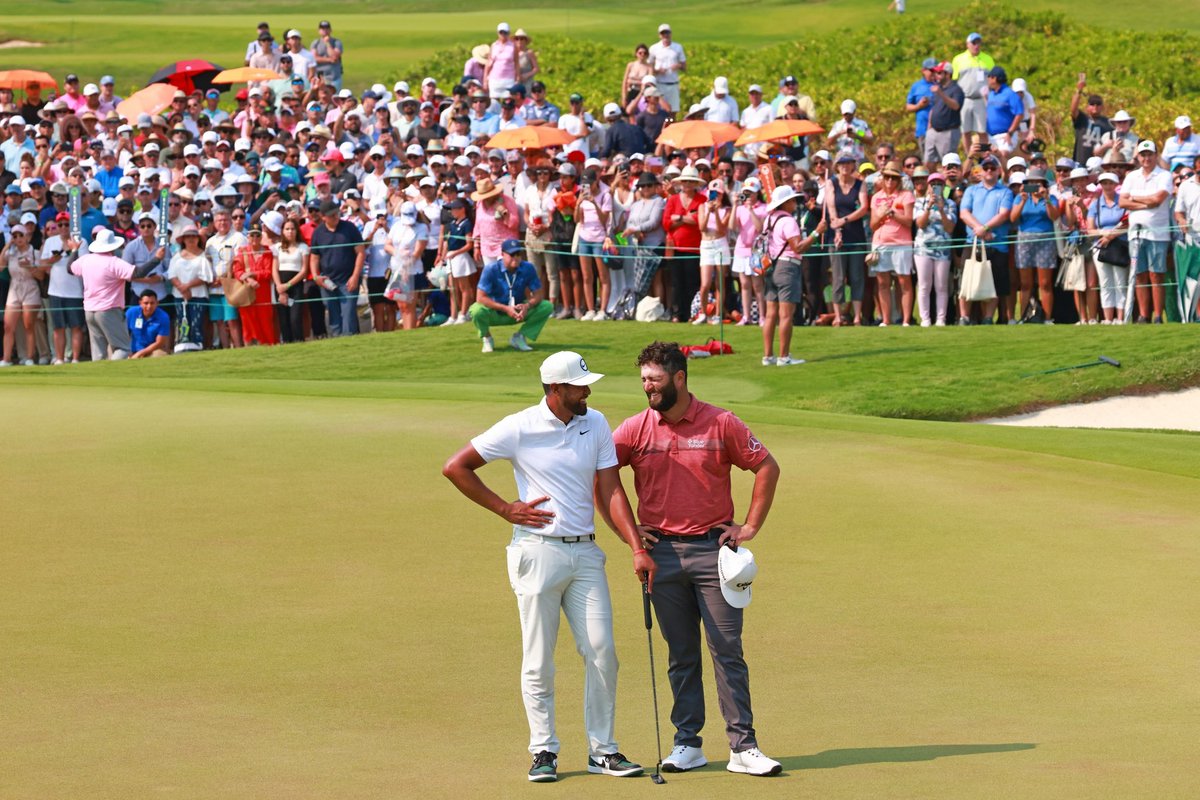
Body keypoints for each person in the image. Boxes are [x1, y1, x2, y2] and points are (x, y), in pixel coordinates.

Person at [442, 350, 651, 783]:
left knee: (603, 652)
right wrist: (505, 508)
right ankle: (543, 750)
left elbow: (610, 489)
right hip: (536, 552)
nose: (588, 391)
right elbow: (456, 467)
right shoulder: (520, 426)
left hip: (586, 555)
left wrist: (635, 546)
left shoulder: (594, 422)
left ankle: (603, 750)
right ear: (556, 390)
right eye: (579, 386)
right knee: (539, 659)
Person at [605, 340, 783, 778]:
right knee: (681, 654)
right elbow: (604, 478)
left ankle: (744, 747)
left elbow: (767, 467)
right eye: (644, 379)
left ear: (679, 379)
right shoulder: (634, 428)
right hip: (661, 556)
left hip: (713, 554)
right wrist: (630, 536)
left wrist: (749, 527)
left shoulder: (721, 423)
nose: (648, 386)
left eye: (656, 379)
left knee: (727, 651)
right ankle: (687, 743)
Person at [68, 228, 159, 360]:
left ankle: (98, 379)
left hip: (89, 310)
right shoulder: (114, 262)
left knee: (98, 352)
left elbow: (69, 268)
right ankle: (115, 376)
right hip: (109, 310)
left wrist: (74, 250)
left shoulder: (86, 259)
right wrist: (157, 259)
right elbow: (138, 273)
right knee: (122, 348)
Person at [760, 186, 823, 364]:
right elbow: (798, 247)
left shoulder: (769, 219)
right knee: (786, 314)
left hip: (771, 267)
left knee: (771, 314)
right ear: (786, 203)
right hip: (787, 267)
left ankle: (768, 356)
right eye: (793, 200)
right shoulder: (788, 221)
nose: (795, 203)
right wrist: (816, 233)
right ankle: (784, 357)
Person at [1120, 140, 1173, 323]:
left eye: (1150, 154)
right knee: (1139, 274)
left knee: (1156, 274)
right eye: (1143, 155)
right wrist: (1145, 201)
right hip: (1135, 233)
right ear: (1138, 157)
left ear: (1155, 155)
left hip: (1157, 233)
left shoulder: (1164, 175)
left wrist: (1134, 198)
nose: (1146, 158)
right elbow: (1122, 202)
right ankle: (1144, 315)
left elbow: (1158, 200)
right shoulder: (1132, 176)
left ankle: (1158, 315)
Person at [469, 239, 553, 353]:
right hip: (495, 312)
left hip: (519, 312)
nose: (516, 257)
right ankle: (487, 338)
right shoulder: (491, 269)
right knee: (476, 310)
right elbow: (480, 298)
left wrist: (527, 306)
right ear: (502, 254)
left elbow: (539, 294)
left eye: (518, 254)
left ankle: (519, 337)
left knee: (546, 306)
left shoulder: (528, 268)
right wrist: (505, 308)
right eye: (512, 254)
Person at [1009, 168, 1060, 321]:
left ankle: (1047, 318)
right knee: (1025, 283)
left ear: (1044, 184)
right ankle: (1024, 317)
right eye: (1031, 182)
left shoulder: (1050, 198)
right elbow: (1013, 218)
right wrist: (1023, 200)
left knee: (1045, 283)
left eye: (1038, 182)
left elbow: (1054, 217)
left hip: (1046, 240)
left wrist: (1047, 199)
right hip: (1024, 240)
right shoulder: (1020, 198)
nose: (1035, 185)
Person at [824, 153, 870, 325]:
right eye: (841, 163)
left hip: (856, 234)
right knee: (838, 276)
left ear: (853, 165)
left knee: (857, 276)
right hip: (836, 236)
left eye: (848, 163)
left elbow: (864, 207)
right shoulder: (831, 183)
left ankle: (857, 316)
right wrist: (837, 230)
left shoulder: (860, 184)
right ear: (837, 165)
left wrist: (845, 220)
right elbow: (831, 207)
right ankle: (838, 316)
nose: (845, 166)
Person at [309, 199, 365, 336]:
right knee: (333, 315)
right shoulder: (318, 232)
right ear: (323, 217)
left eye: (336, 213)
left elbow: (360, 252)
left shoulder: (350, 228)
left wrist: (355, 276)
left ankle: (349, 342)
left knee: (348, 314)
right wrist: (316, 276)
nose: (335, 217)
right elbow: (314, 258)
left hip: (348, 279)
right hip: (327, 281)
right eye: (331, 215)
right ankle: (337, 342)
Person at [869, 161, 915, 325]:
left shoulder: (906, 195)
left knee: (904, 282)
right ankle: (886, 320)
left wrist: (892, 213)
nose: (890, 181)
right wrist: (881, 214)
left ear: (899, 180)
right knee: (882, 282)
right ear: (882, 178)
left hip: (901, 243)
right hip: (880, 243)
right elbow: (873, 225)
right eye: (887, 177)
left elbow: (909, 221)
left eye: (893, 178)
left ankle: (906, 320)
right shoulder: (876, 197)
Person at [913, 170, 958, 326]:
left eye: (939, 184)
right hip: (923, 249)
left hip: (943, 249)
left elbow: (950, 227)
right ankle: (925, 319)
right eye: (933, 184)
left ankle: (941, 318)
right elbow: (920, 223)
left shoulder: (950, 204)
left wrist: (941, 209)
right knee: (924, 285)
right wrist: (928, 207)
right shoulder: (919, 202)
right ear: (928, 186)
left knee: (941, 285)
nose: (935, 186)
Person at [1, 223, 46, 367]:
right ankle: (6, 359)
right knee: (8, 326)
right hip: (14, 288)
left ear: (26, 237)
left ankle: (29, 357)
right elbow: (0, 267)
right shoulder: (10, 253)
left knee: (29, 325)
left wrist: (30, 267)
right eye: (15, 236)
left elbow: (41, 276)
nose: (18, 238)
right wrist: (7, 245)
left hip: (30, 289)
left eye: (21, 235)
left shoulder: (35, 253)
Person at [1087, 172, 1130, 324]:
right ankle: (1107, 319)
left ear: (1116, 184)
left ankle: (1120, 318)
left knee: (1120, 282)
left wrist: (1110, 236)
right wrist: (1103, 233)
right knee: (1105, 283)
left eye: (1110, 183)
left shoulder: (1123, 201)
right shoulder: (1095, 204)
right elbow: (1090, 230)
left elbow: (1127, 223)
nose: (1107, 186)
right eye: (1104, 183)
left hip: (1120, 245)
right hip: (1100, 247)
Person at [232, 223, 279, 345]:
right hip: (247, 292)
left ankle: (268, 345)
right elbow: (237, 270)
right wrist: (248, 280)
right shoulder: (242, 251)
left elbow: (269, 272)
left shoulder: (267, 252)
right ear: (248, 237)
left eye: (257, 235)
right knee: (248, 322)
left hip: (263, 292)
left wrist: (253, 274)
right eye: (252, 235)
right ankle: (250, 347)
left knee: (266, 321)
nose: (255, 238)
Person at [951, 32, 994, 151]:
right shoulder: (958, 59)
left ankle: (985, 156)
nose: (976, 46)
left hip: (982, 100)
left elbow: (992, 79)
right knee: (965, 131)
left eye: (978, 43)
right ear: (967, 44)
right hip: (964, 99)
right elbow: (954, 80)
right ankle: (969, 157)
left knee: (982, 130)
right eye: (973, 43)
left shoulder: (987, 59)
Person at [271, 217, 309, 342]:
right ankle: (287, 343)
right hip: (280, 285)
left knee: (295, 318)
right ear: (282, 231)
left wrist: (287, 285)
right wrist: (279, 287)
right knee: (283, 319)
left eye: (292, 229)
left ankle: (299, 341)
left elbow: (304, 270)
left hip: (296, 285)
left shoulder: (303, 247)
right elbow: (274, 269)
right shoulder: (277, 247)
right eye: (287, 229)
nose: (290, 232)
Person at [1069, 75, 1111, 169]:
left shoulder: (1108, 123)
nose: (1095, 106)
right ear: (1087, 106)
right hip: (1080, 162)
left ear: (1102, 106)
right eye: (1092, 104)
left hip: (1099, 164)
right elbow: (1073, 109)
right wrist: (1079, 90)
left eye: (1098, 104)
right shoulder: (1082, 119)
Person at [984, 66, 1023, 159]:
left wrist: (1010, 133)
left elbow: (1019, 114)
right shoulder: (991, 94)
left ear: (995, 78)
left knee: (1002, 155)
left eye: (989, 77)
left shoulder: (1010, 94)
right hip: (990, 136)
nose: (988, 80)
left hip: (1005, 135)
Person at [648, 24, 686, 113]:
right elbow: (649, 67)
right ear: (659, 35)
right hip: (659, 84)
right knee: (661, 110)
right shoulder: (654, 48)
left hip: (673, 84)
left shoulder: (677, 47)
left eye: (667, 33)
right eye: (663, 33)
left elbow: (684, 66)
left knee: (673, 111)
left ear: (670, 34)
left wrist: (678, 66)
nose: (665, 35)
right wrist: (657, 71)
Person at [906, 59, 938, 157]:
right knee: (927, 159)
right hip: (923, 129)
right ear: (923, 70)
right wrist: (919, 105)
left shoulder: (941, 84)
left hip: (941, 129)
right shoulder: (916, 86)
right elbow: (908, 107)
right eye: (931, 70)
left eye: (936, 70)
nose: (934, 73)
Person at [126, 289, 171, 358]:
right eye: (146, 303)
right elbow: (122, 334)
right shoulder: (131, 312)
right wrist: (128, 352)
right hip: (132, 351)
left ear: (157, 303)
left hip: (153, 351)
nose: (149, 306)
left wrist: (140, 354)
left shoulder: (163, 316)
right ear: (140, 303)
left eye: (152, 303)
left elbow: (159, 343)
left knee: (160, 355)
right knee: (120, 356)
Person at [310, 20, 344, 91]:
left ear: (330, 30)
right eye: (322, 28)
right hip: (320, 78)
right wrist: (329, 59)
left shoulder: (336, 42)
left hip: (334, 78)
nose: (325, 30)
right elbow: (314, 58)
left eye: (327, 28)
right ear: (319, 31)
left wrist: (327, 43)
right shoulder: (316, 43)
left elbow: (334, 57)